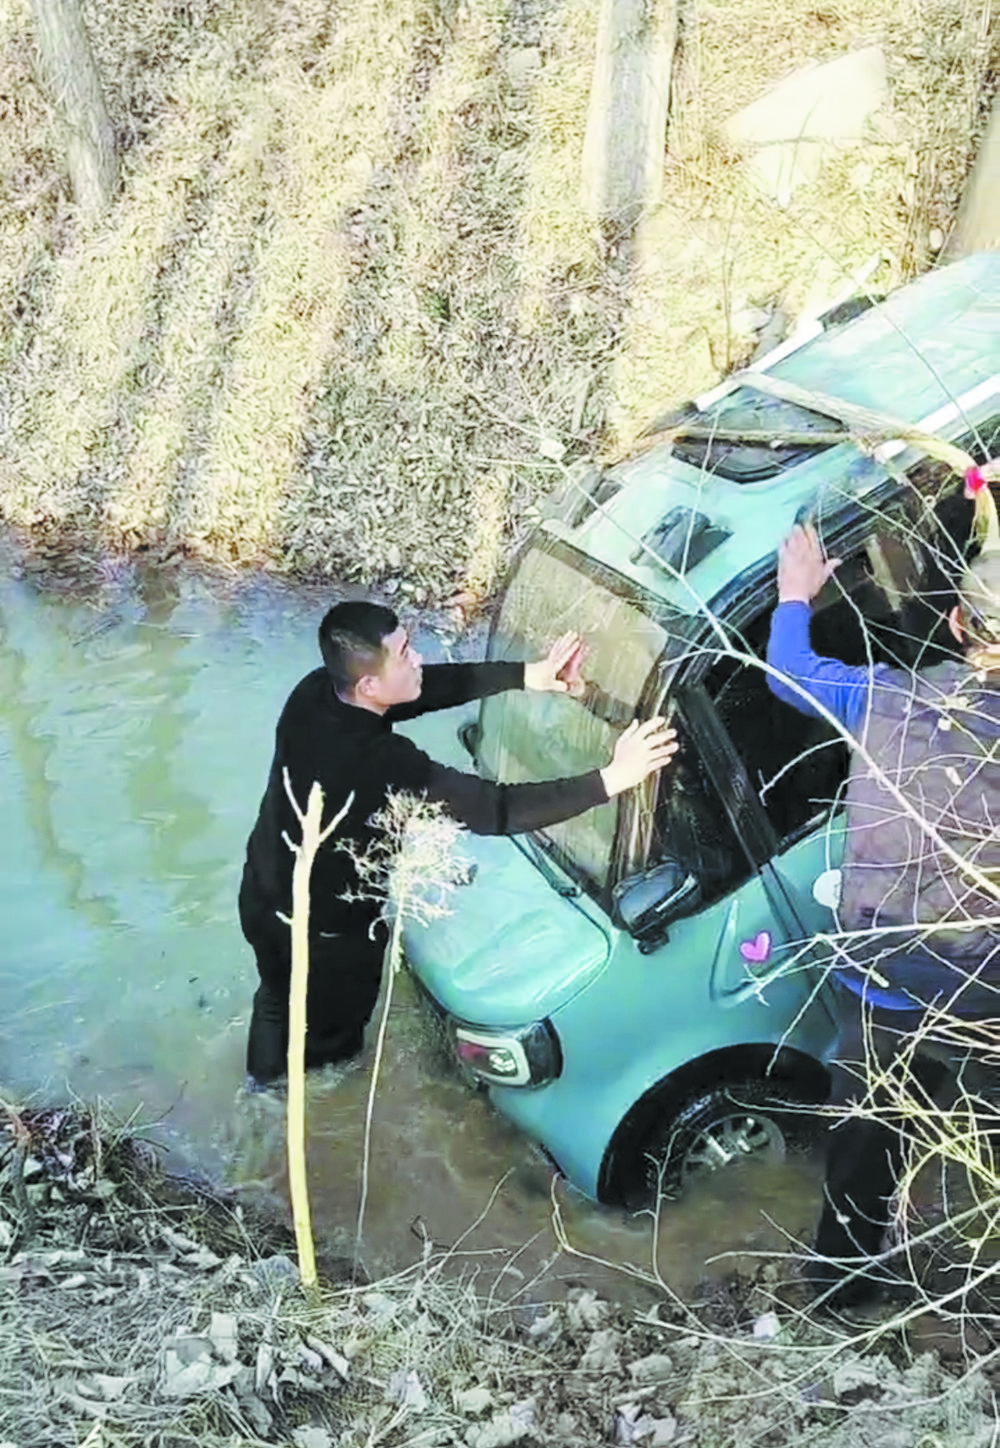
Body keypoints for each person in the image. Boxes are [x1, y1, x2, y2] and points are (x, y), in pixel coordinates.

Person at [241, 600, 678, 1088]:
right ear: (367, 685)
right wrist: (612, 778)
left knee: (278, 999)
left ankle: (258, 1087)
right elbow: (496, 810)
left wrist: (530, 674)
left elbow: (425, 691)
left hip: (262, 894)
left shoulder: (316, 693)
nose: (419, 658)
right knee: (333, 1054)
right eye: (405, 652)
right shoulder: (376, 760)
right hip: (322, 935)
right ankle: (293, 1114)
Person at [767, 481, 1000, 1309]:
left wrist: (796, 596)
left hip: (882, 977)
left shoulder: (885, 697)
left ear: (955, 623)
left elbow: (788, 675)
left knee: (866, 1137)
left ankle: (841, 1289)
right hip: (980, 988)